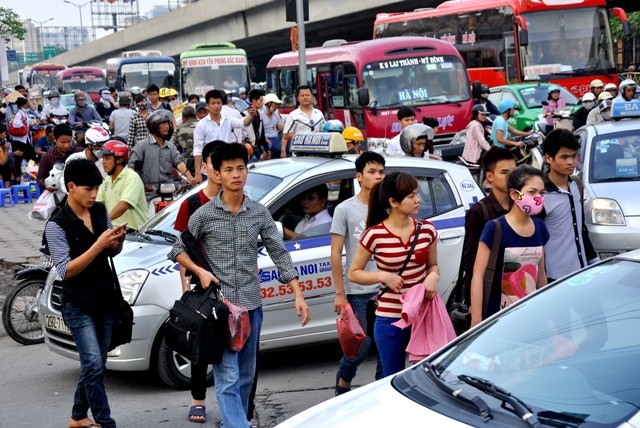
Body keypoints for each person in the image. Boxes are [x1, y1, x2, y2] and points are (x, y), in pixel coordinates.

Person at [168, 142, 310, 428]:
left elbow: (278, 252)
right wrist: (199, 270)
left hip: (252, 306)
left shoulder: (259, 212)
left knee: (246, 375)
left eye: (240, 168)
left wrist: (298, 293)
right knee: (228, 375)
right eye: (229, 169)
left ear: (247, 171)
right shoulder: (204, 214)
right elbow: (176, 249)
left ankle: (235, 420)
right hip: (220, 310)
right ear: (218, 174)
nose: (236, 174)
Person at [45, 158, 126, 428]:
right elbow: (65, 270)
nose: (94, 194)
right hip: (77, 304)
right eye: (88, 189)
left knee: (96, 364)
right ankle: (106, 422)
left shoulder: (102, 212)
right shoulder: (56, 225)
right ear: (71, 187)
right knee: (92, 363)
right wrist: (98, 245)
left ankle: (78, 416)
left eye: (97, 188)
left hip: (105, 299)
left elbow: (112, 251)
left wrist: (117, 242)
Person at [348, 172, 439, 377]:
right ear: (394, 202)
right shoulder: (375, 234)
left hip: (423, 314)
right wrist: (382, 276)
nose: (418, 200)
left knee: (426, 378)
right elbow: (354, 273)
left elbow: (433, 266)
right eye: (411, 196)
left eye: (417, 194)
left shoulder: (427, 230)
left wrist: (433, 276)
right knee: (393, 379)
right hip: (390, 318)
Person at [172, 141, 224, 423]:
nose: (222, 172)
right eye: (216, 166)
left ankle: (242, 407)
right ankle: (198, 400)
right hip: (202, 287)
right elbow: (181, 248)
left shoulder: (240, 201)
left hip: (234, 285)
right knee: (201, 347)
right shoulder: (192, 204)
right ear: (204, 167)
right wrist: (186, 285)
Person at [332, 151, 385, 395]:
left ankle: (381, 389)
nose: (377, 177)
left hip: (385, 289)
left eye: (381, 172)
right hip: (358, 291)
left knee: (386, 345)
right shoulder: (345, 209)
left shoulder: (388, 207)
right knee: (360, 345)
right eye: (372, 172)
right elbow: (335, 253)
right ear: (359, 176)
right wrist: (340, 293)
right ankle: (344, 378)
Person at [470, 166, 549, 327]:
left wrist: (547, 318)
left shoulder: (540, 227)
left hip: (531, 315)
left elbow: (541, 274)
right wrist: (476, 320)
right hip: (497, 318)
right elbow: (478, 276)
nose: (538, 198)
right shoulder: (495, 228)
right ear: (514, 194)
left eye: (541, 193)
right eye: (532, 192)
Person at [538, 129, 598, 283]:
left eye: (573, 156)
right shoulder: (541, 194)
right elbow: (535, 241)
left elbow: (580, 230)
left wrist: (594, 262)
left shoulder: (576, 185)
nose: (571, 162)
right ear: (548, 158)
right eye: (564, 157)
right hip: (554, 279)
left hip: (582, 272)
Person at [461, 148, 517, 303]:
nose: (512, 178)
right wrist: (473, 302)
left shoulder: (522, 205)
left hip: (520, 287)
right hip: (491, 292)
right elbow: (471, 260)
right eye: (505, 172)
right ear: (490, 177)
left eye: (515, 172)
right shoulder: (479, 212)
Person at [192, 89, 255, 183]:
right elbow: (197, 151)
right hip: (210, 167)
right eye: (213, 103)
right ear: (207, 105)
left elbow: (243, 123)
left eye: (218, 103)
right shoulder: (201, 125)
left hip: (226, 165)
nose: (216, 106)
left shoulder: (228, 120)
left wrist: (251, 115)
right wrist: (198, 174)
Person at [128, 110, 195, 189]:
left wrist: (190, 177)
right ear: (154, 126)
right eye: (163, 123)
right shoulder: (141, 146)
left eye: (167, 123)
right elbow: (131, 168)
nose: (167, 126)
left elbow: (179, 163)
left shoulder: (171, 146)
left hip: (170, 191)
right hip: (148, 194)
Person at [96, 140, 148, 232]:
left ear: (119, 160)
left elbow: (124, 205)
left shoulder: (131, 177)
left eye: (107, 158)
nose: (103, 162)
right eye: (103, 158)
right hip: (114, 230)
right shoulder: (108, 178)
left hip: (135, 233)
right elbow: (98, 203)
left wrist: (104, 222)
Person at [281, 85, 325, 158]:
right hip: (300, 154)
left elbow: (325, 130)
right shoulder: (293, 115)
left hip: (319, 153)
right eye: (302, 95)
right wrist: (307, 138)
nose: (305, 97)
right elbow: (286, 135)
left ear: (312, 97)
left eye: (307, 95)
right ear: (298, 98)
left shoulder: (319, 113)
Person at [37, 123, 83, 191]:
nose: (66, 145)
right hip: (57, 194)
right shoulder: (47, 157)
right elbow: (40, 178)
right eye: (63, 142)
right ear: (55, 139)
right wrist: (45, 185)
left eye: (69, 141)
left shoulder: (80, 152)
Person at [243, 89, 270, 160]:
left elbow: (262, 133)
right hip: (249, 147)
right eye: (261, 101)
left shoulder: (260, 114)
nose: (262, 103)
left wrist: (266, 149)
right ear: (254, 101)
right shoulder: (244, 114)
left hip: (258, 146)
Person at [171, 105, 198, 174]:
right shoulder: (203, 125)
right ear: (195, 116)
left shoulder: (178, 130)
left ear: (183, 118)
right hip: (205, 162)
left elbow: (170, 147)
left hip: (188, 164)